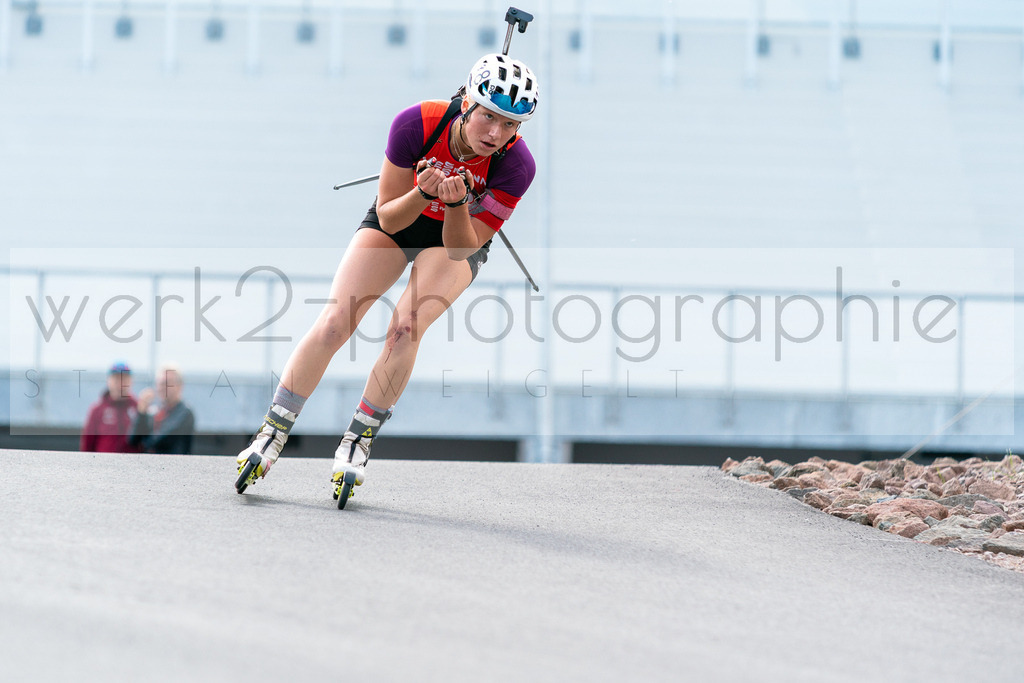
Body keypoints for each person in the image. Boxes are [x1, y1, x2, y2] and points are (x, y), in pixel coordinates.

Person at [236, 53, 538, 496]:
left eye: (510, 125)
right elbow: (390, 219)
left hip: (458, 235)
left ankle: (357, 441)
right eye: (489, 117)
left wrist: (454, 203)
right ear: (467, 103)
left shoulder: (517, 166)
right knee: (337, 322)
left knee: (406, 327)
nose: (495, 133)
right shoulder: (417, 123)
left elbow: (459, 248)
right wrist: (423, 191)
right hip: (402, 211)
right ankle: (271, 432)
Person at [129, 364, 196, 455]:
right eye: (160, 383)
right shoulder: (154, 412)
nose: (162, 388)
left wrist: (144, 442)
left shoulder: (185, 413)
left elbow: (162, 440)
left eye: (167, 383)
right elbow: (133, 440)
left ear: (179, 386)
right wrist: (141, 413)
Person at [80, 361, 142, 453]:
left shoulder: (138, 408)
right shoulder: (97, 410)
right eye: (116, 379)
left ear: (131, 381)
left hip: (132, 464)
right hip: (103, 465)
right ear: (109, 380)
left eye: (124, 379)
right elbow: (87, 445)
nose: (120, 383)